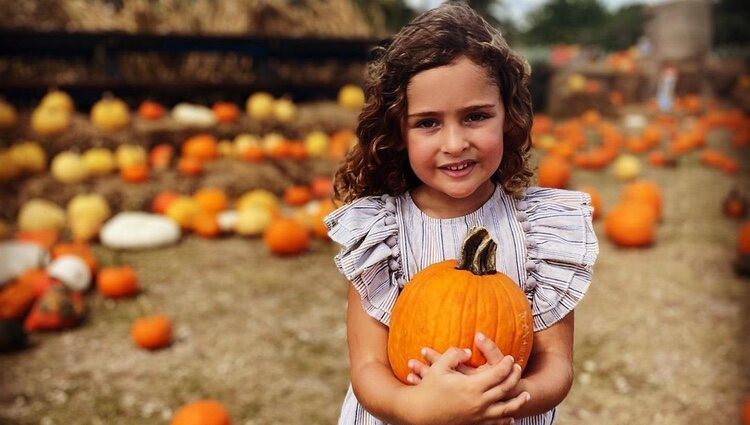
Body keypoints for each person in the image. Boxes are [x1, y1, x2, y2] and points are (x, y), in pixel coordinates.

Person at [324, 2, 599, 424]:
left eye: (475, 116)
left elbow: (556, 365)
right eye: (428, 123)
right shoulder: (383, 232)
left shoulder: (539, 231)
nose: (454, 143)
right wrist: (414, 406)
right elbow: (367, 367)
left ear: (509, 118)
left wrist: (502, 398)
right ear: (398, 133)